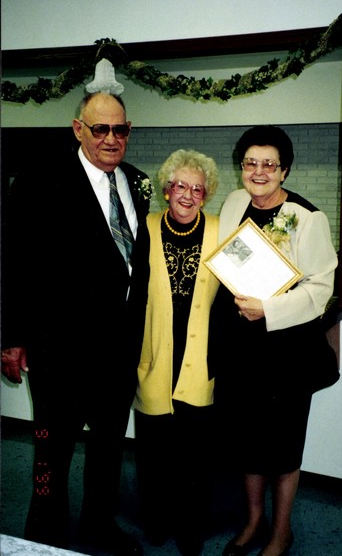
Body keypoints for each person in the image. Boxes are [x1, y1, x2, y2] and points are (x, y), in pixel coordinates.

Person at [1, 92, 151, 556]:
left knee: (108, 448)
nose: (111, 139)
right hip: (59, 349)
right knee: (52, 448)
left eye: (120, 129)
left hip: (118, 350)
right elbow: (14, 261)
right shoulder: (40, 181)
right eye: (100, 128)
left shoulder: (138, 182)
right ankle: (45, 530)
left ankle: (98, 525)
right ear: (78, 128)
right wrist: (11, 338)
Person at [208, 125, 338, 556]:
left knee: (282, 447)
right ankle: (252, 522)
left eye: (269, 164)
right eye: (251, 163)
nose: (258, 172)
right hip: (241, 350)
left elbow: (320, 289)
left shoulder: (307, 217)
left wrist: (269, 310)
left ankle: (282, 532)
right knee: (248, 442)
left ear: (284, 171)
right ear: (241, 167)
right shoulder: (234, 202)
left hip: (287, 353)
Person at [133, 149, 220, 556]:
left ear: (206, 194)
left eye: (197, 189)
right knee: (153, 452)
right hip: (154, 358)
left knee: (196, 457)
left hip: (200, 360)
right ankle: (155, 519)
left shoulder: (220, 231)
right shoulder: (146, 227)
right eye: (180, 186)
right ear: (166, 189)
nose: (187, 195)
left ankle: (192, 528)